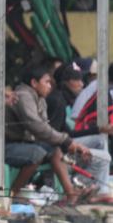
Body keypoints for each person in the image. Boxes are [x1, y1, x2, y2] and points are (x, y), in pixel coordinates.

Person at [5, 64, 91, 202]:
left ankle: (70, 193)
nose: (50, 86)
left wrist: (66, 142)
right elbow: (37, 127)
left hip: (22, 143)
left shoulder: (40, 99)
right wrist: (66, 141)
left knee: (55, 150)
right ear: (34, 83)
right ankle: (12, 194)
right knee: (36, 153)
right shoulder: (23, 95)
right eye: (46, 82)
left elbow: (44, 127)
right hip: (5, 145)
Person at [47, 63, 113, 202]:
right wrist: (73, 145)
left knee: (101, 139)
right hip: (55, 149)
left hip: (63, 143)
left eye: (81, 79)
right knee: (104, 157)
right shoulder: (57, 100)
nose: (82, 84)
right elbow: (52, 136)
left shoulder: (63, 99)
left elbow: (69, 133)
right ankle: (86, 188)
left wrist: (99, 129)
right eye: (76, 80)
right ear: (65, 81)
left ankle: (94, 188)